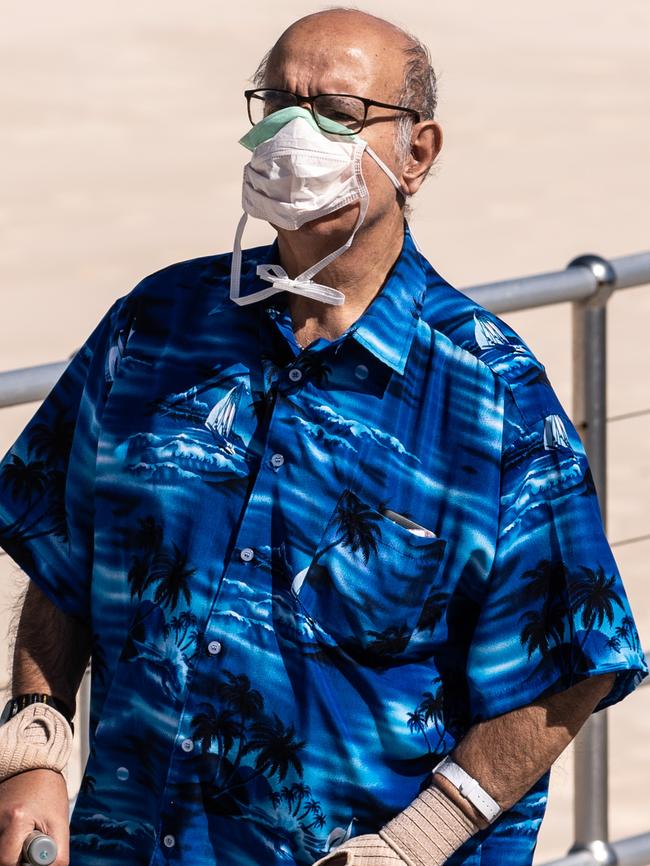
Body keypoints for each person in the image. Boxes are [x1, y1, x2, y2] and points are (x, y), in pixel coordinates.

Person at [0, 8, 646, 866]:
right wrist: (36, 744)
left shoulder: (490, 396)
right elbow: (64, 552)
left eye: (336, 113)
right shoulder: (153, 329)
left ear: (417, 154)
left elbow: (571, 664)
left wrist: (416, 844)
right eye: (275, 103)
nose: (291, 133)